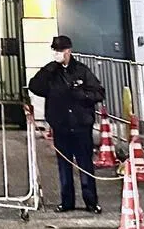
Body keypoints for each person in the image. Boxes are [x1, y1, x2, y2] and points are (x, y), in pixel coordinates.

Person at [28, 35, 105, 213]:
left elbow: (99, 93)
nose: (57, 54)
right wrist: (47, 71)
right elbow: (35, 86)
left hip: (80, 124)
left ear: (68, 51)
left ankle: (91, 202)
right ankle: (66, 201)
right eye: (55, 51)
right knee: (64, 165)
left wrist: (82, 95)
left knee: (85, 164)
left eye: (60, 51)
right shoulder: (51, 72)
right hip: (61, 125)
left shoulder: (82, 71)